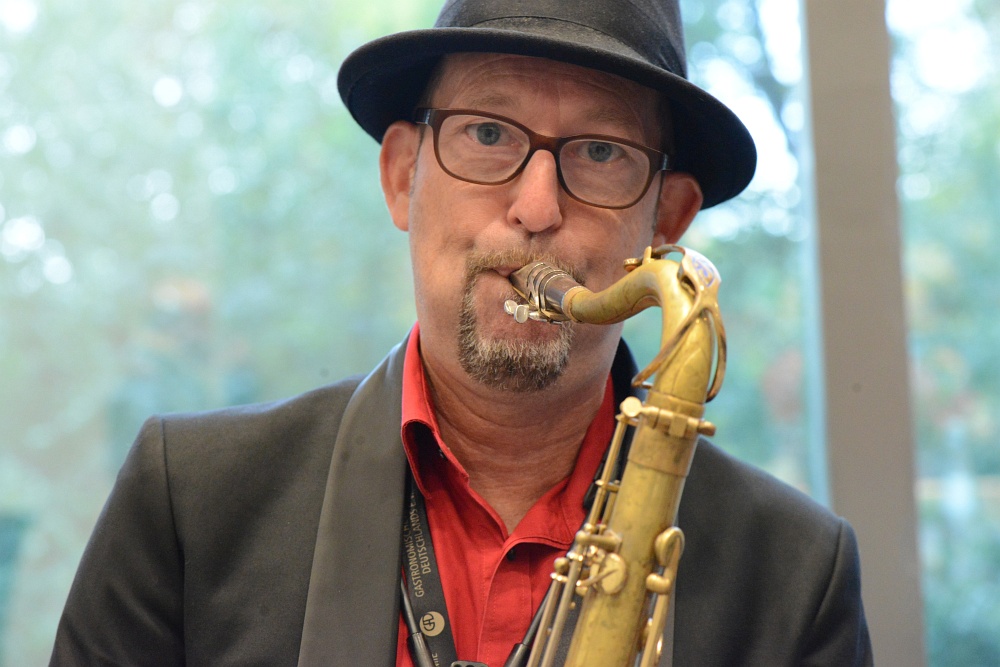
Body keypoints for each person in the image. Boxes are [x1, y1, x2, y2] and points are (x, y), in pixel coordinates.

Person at [50, 0, 872, 665]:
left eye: (599, 151)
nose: (537, 208)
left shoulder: (798, 575)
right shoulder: (187, 504)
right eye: (487, 133)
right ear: (401, 175)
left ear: (668, 221)